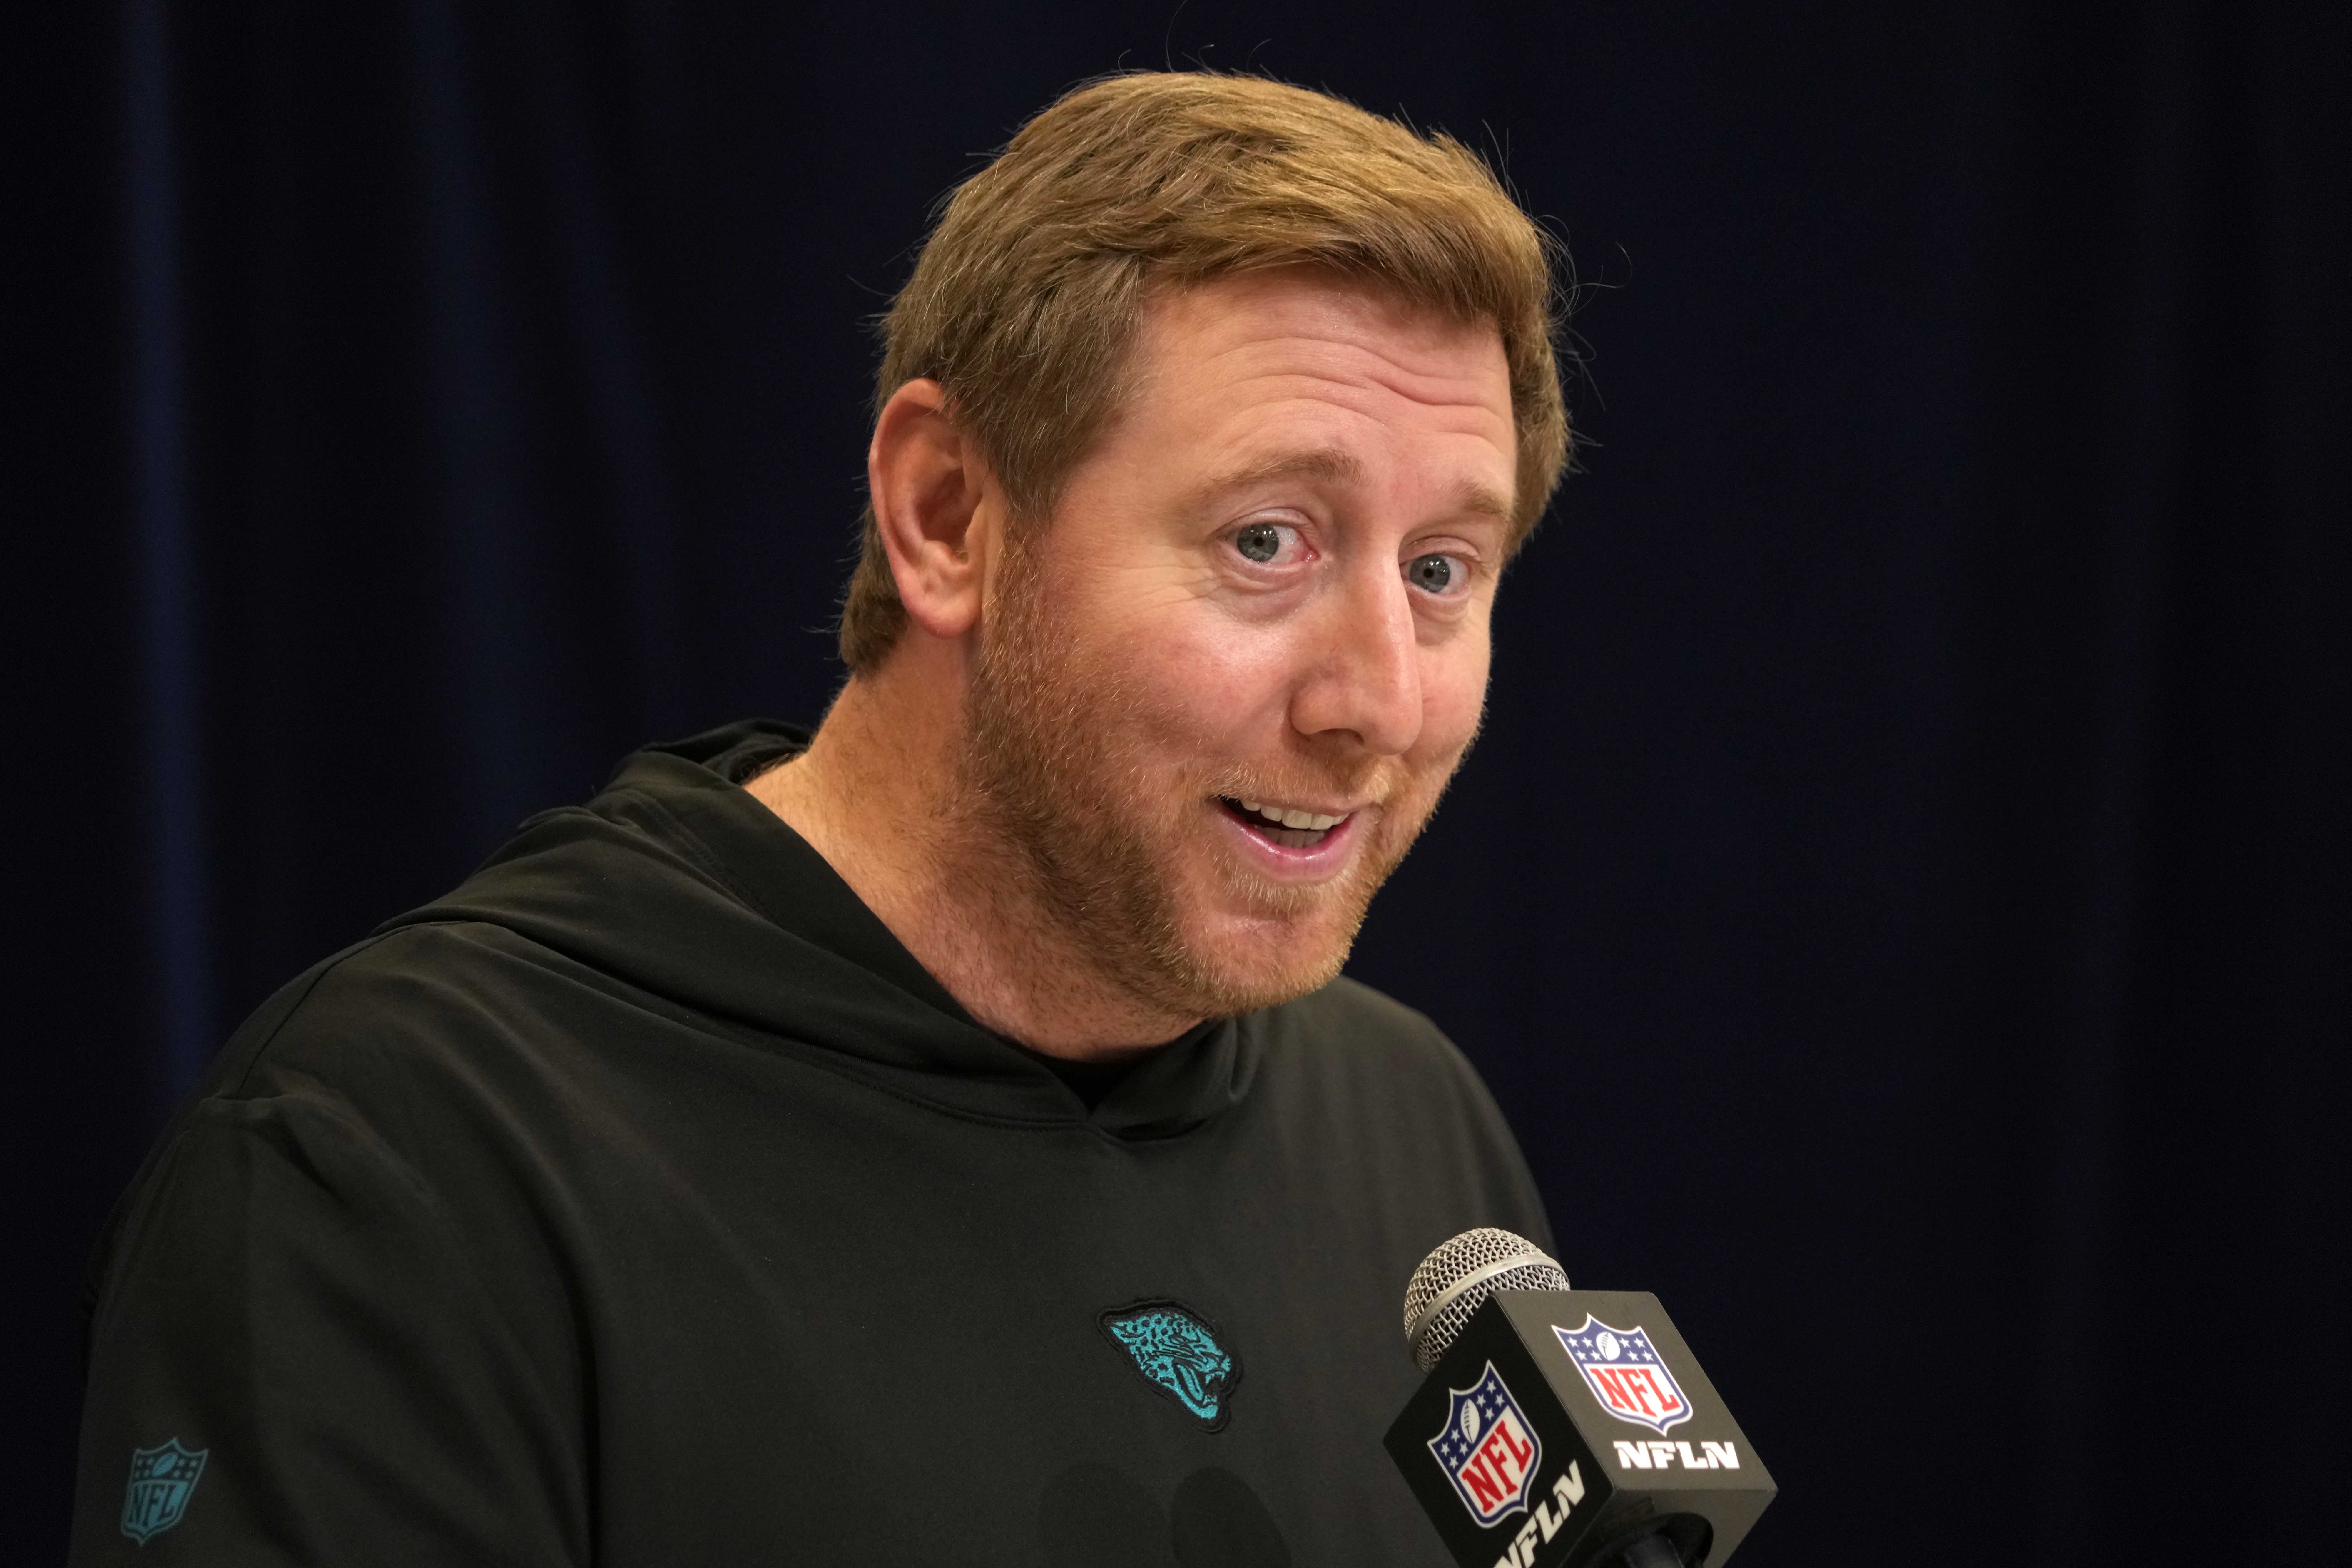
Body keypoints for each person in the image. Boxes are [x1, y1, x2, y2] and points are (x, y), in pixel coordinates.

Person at [72, 71, 1571, 1565]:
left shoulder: (1417, 1131)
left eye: (1444, 569)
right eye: (1267, 540)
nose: (1377, 699)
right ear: (947, 515)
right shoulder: (408, 1152)